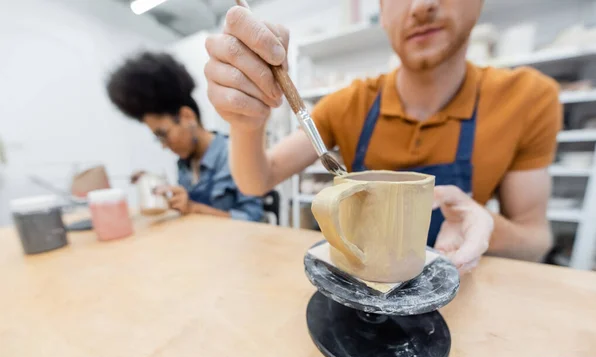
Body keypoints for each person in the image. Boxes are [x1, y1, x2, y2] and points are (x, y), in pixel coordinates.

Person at [204, 0, 562, 272]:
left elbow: (536, 239)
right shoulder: (349, 104)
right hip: (366, 280)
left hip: (459, 287)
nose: (421, 7)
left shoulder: (527, 98)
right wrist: (245, 121)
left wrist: (486, 228)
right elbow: (257, 180)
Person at [106, 51, 264, 222]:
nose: (164, 145)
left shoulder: (234, 154)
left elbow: (253, 219)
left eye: (163, 134)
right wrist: (153, 182)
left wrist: (193, 208)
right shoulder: (184, 164)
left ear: (187, 117)